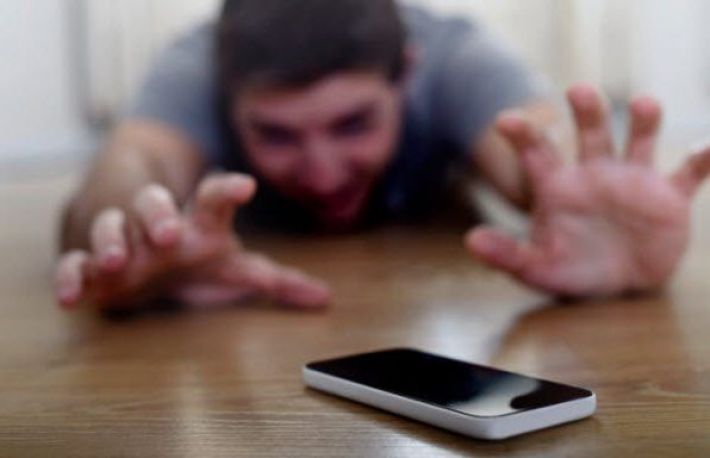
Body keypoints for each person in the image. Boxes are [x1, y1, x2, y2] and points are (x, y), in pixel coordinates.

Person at [55, 0, 710, 311]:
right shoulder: (197, 64)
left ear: (408, 75)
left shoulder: (457, 53)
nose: (322, 173)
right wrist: (130, 237)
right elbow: (130, 165)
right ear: (227, 98)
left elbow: (537, 145)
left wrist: (575, 190)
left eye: (354, 123)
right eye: (277, 135)